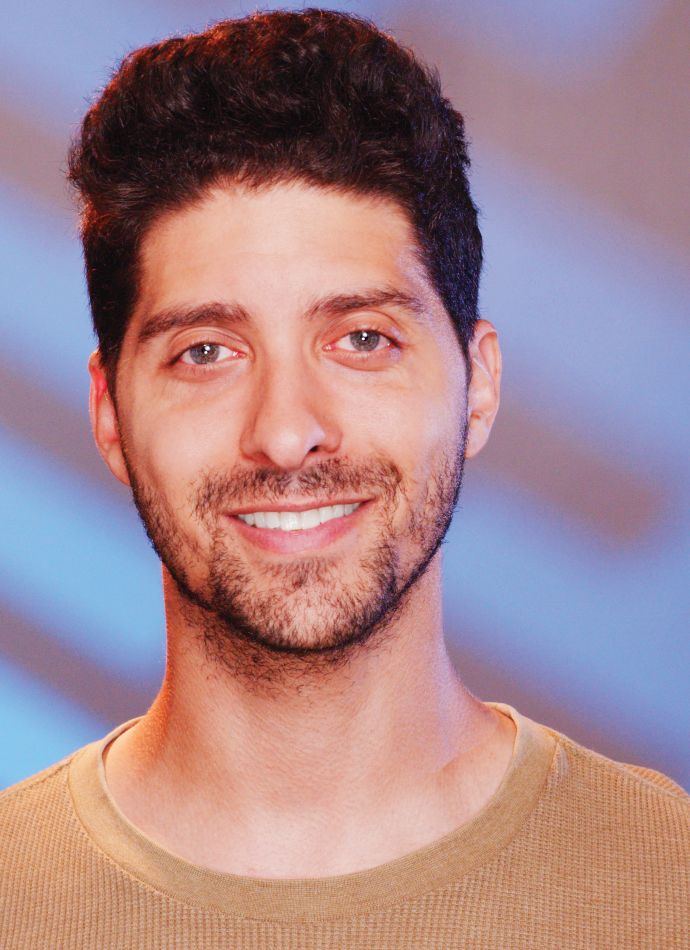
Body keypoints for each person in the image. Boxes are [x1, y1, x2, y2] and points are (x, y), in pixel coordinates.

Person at [1, 9, 687, 948]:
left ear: (479, 386)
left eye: (362, 339)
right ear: (109, 413)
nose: (287, 434)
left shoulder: (670, 885)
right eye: (206, 351)